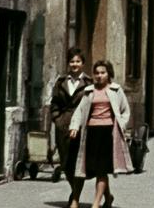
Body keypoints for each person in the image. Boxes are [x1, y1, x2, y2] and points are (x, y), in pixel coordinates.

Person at [69, 61, 133, 208]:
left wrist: (121, 125)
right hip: (91, 133)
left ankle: (96, 203)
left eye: (102, 73)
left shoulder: (116, 90)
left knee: (102, 168)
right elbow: (79, 111)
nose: (99, 76)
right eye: (96, 73)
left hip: (108, 133)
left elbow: (125, 111)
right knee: (84, 167)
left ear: (109, 74)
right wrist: (74, 127)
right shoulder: (89, 91)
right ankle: (78, 200)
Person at [49, 49, 92, 207]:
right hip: (64, 125)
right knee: (66, 162)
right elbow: (54, 103)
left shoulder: (88, 83)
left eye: (78, 61)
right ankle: (74, 191)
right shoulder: (61, 82)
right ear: (68, 63)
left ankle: (75, 197)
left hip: (81, 126)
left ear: (83, 63)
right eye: (72, 61)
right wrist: (57, 119)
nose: (75, 65)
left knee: (78, 162)